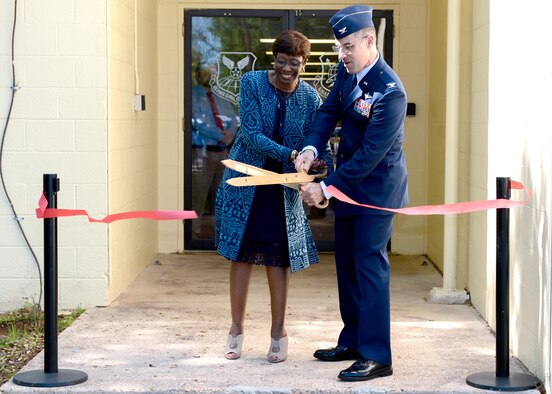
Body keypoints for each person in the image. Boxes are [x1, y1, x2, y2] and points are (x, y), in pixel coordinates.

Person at [294, 4, 408, 382]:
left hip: (376, 191)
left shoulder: (390, 92)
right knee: (347, 266)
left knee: (369, 267)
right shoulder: (347, 75)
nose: (341, 55)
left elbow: (370, 157)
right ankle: (354, 340)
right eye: (339, 47)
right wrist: (311, 149)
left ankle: (378, 356)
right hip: (347, 188)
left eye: (347, 47)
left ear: (369, 40)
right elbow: (326, 115)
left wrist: (325, 187)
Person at [215, 30, 333, 363]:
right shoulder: (252, 83)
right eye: (281, 62)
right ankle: (235, 330)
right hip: (246, 182)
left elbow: (318, 141)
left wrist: (318, 162)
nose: (286, 69)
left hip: (283, 191)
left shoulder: (310, 98)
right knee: (241, 257)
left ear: (303, 63)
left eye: (293, 64)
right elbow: (251, 135)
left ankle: (278, 333)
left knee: (278, 260)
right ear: (274, 59)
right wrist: (293, 152)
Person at [191, 63, 239, 236]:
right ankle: (193, 235)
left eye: (213, 73)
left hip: (223, 152)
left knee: (224, 195)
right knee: (198, 195)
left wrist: (231, 134)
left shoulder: (220, 96)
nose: (210, 76)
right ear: (197, 75)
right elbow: (197, 121)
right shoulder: (192, 96)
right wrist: (222, 135)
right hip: (202, 152)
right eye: (205, 73)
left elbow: (233, 118)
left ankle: (222, 236)